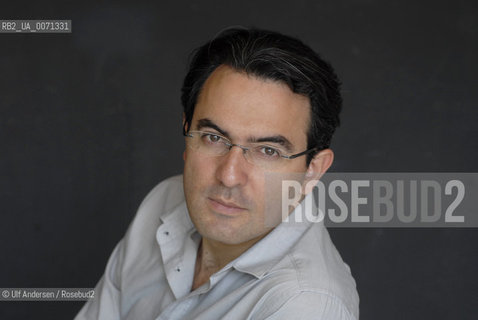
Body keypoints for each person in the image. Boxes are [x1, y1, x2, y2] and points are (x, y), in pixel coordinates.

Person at [75, 27, 359, 320]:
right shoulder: (163, 201)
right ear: (187, 134)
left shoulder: (305, 306)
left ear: (312, 171)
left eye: (268, 151)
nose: (229, 176)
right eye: (213, 137)